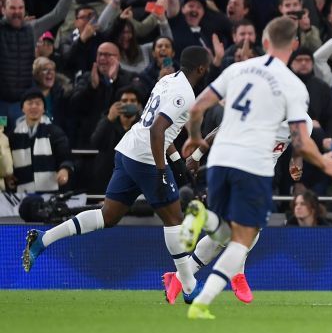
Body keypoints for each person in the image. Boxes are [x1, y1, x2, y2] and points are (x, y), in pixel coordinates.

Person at [21, 46, 212, 312]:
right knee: (175, 219)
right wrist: (160, 171)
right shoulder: (185, 94)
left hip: (127, 149)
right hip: (146, 157)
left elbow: (153, 126)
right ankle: (189, 288)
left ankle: (43, 239)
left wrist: (177, 162)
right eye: (209, 65)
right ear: (201, 68)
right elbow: (157, 131)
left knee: (107, 216)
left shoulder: (167, 80)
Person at [177, 16, 332, 320]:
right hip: (252, 165)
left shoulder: (236, 69)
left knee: (227, 233)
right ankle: (202, 299)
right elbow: (303, 143)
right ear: (294, 46)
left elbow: (197, 107)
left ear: (265, 41)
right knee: (244, 239)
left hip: (220, 159)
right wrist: (325, 162)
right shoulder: (293, 86)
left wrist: (193, 138)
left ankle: (201, 238)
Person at [164, 112, 314, 305]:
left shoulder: (304, 122)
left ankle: (180, 277)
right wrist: (197, 155)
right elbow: (223, 128)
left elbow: (298, 149)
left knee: (228, 234)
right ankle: (236, 273)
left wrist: (296, 162)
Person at [5, 88, 73, 193]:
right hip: (22, 195)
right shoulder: (13, 136)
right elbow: (8, 163)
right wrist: (8, 176)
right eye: (30, 103)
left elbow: (65, 157)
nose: (34, 106)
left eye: (38, 103)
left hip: (50, 194)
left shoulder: (55, 132)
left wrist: (64, 170)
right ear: (22, 108)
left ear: (44, 108)